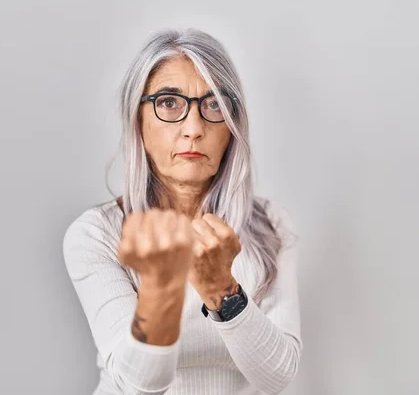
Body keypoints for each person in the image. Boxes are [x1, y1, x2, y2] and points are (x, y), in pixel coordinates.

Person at [62, 28, 302, 395]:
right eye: (169, 102)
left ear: (234, 126)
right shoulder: (97, 233)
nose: (193, 129)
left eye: (214, 105)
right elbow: (139, 383)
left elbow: (278, 375)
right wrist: (162, 284)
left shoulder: (270, 225)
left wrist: (223, 290)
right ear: (137, 120)